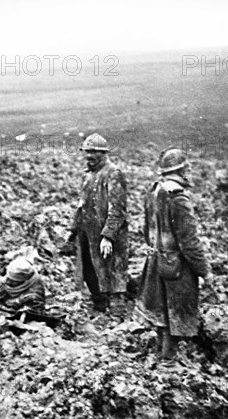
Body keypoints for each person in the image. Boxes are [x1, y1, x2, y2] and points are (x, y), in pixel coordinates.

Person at [135, 148, 212, 363]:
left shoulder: (153, 191)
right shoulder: (178, 198)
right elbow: (190, 242)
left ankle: (162, 354)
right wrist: (204, 271)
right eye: (187, 168)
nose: (190, 172)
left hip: (155, 259)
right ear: (182, 170)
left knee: (161, 310)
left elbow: (145, 229)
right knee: (175, 312)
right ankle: (168, 360)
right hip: (176, 265)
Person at [68, 133, 128, 314]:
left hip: (107, 233)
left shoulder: (113, 173)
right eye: (87, 153)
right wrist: (73, 231)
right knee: (90, 269)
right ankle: (100, 306)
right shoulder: (87, 176)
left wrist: (108, 236)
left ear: (104, 154)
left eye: (93, 153)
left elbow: (118, 208)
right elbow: (81, 205)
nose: (89, 157)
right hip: (88, 232)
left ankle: (118, 312)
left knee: (113, 270)